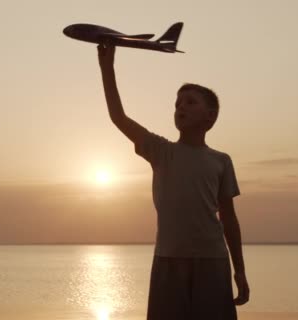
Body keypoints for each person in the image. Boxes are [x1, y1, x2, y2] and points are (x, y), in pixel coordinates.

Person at [97, 43, 250, 319]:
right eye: (177, 103)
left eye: (190, 102)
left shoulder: (221, 160)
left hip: (212, 260)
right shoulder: (161, 151)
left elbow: (229, 218)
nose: (181, 107)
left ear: (210, 116)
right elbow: (118, 117)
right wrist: (107, 68)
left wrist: (239, 269)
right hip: (168, 259)